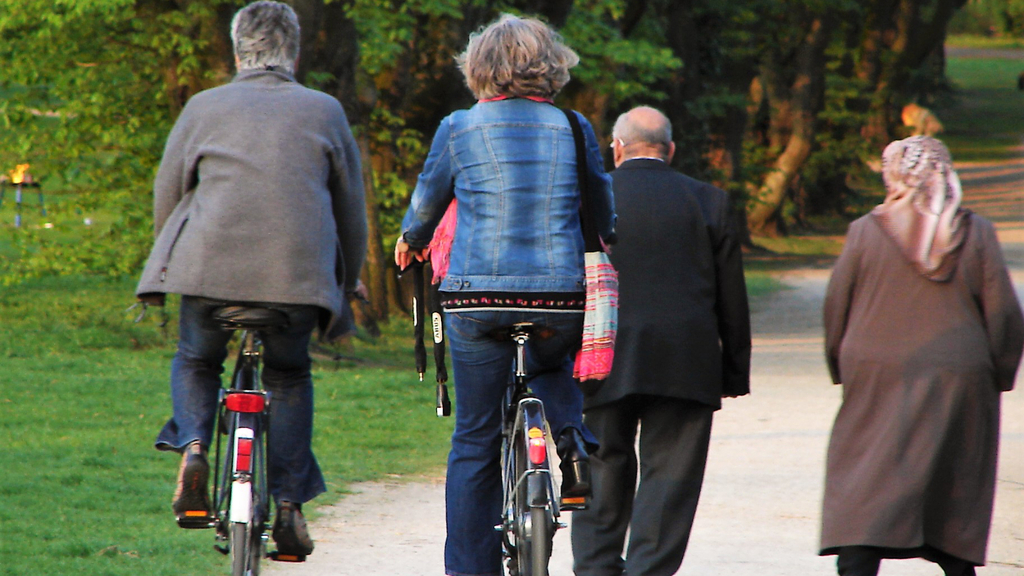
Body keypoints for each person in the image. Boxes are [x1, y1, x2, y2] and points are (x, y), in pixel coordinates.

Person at [135, 0, 367, 558]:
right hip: (296, 280)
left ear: (238, 51)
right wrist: (350, 279)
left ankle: (194, 449)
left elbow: (167, 191)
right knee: (289, 376)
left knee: (196, 359)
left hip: (206, 271)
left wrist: (170, 257)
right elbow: (351, 210)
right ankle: (288, 506)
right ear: (294, 52)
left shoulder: (202, 106)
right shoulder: (325, 110)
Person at [393, 14, 616, 576]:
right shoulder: (574, 127)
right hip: (559, 295)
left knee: (474, 437)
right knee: (551, 361)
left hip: (476, 299)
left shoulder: (458, 127)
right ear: (551, 66)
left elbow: (426, 204)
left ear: (479, 68)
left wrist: (411, 241)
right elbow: (603, 211)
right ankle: (570, 441)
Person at [820, 135, 1024, 576]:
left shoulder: (866, 231)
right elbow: (1004, 313)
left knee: (868, 469)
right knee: (954, 475)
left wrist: (841, 363)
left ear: (892, 173)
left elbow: (837, 303)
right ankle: (955, 561)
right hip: (959, 375)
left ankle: (858, 558)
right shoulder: (975, 232)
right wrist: (1000, 371)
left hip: (876, 370)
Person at [570, 106, 752, 576]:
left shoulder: (584, 199)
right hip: (685, 362)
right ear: (670, 150)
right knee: (670, 479)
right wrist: (733, 372)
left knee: (601, 466)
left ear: (616, 149)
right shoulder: (708, 201)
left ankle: (595, 569)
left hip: (601, 353)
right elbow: (731, 296)